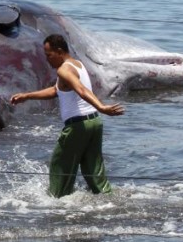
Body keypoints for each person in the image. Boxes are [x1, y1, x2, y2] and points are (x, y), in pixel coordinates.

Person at [10, 34, 124, 198]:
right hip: (94, 122)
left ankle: (57, 202)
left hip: (78, 127)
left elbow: (81, 90)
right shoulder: (77, 64)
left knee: (60, 165)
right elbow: (57, 90)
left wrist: (101, 107)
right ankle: (108, 199)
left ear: (59, 51)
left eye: (49, 55)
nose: (47, 60)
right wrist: (27, 96)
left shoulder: (64, 70)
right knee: (93, 170)